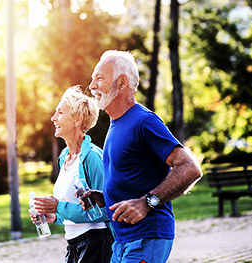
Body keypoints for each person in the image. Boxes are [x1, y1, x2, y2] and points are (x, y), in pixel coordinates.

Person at [82, 50, 203, 263]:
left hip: (146, 238)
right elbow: (135, 175)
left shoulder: (143, 121)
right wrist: (105, 197)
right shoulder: (116, 124)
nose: (91, 86)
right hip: (121, 241)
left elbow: (190, 168)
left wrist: (147, 202)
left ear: (121, 83)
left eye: (99, 78)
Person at [30, 86, 114, 263]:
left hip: (96, 243)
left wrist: (58, 207)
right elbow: (73, 208)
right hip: (74, 244)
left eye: (60, 112)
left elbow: (106, 210)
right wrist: (54, 216)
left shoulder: (92, 157)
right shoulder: (64, 158)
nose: (53, 118)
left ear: (77, 119)